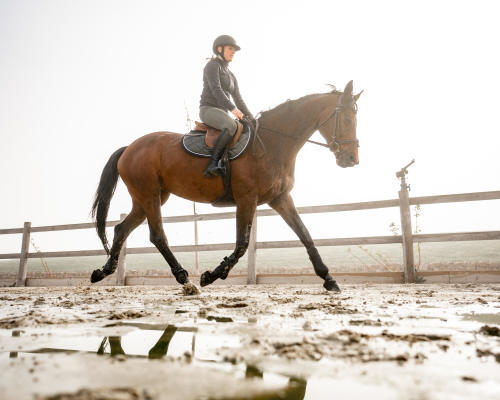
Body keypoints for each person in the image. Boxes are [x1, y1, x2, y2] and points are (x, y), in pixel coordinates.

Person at [200, 35, 253, 177]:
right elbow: (216, 90)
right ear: (219, 49)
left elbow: (239, 99)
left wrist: (252, 118)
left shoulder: (231, 75)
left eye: (234, 50)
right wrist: (234, 110)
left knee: (247, 126)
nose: (233, 52)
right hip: (208, 110)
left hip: (222, 112)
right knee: (231, 125)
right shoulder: (212, 66)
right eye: (230, 49)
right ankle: (212, 164)